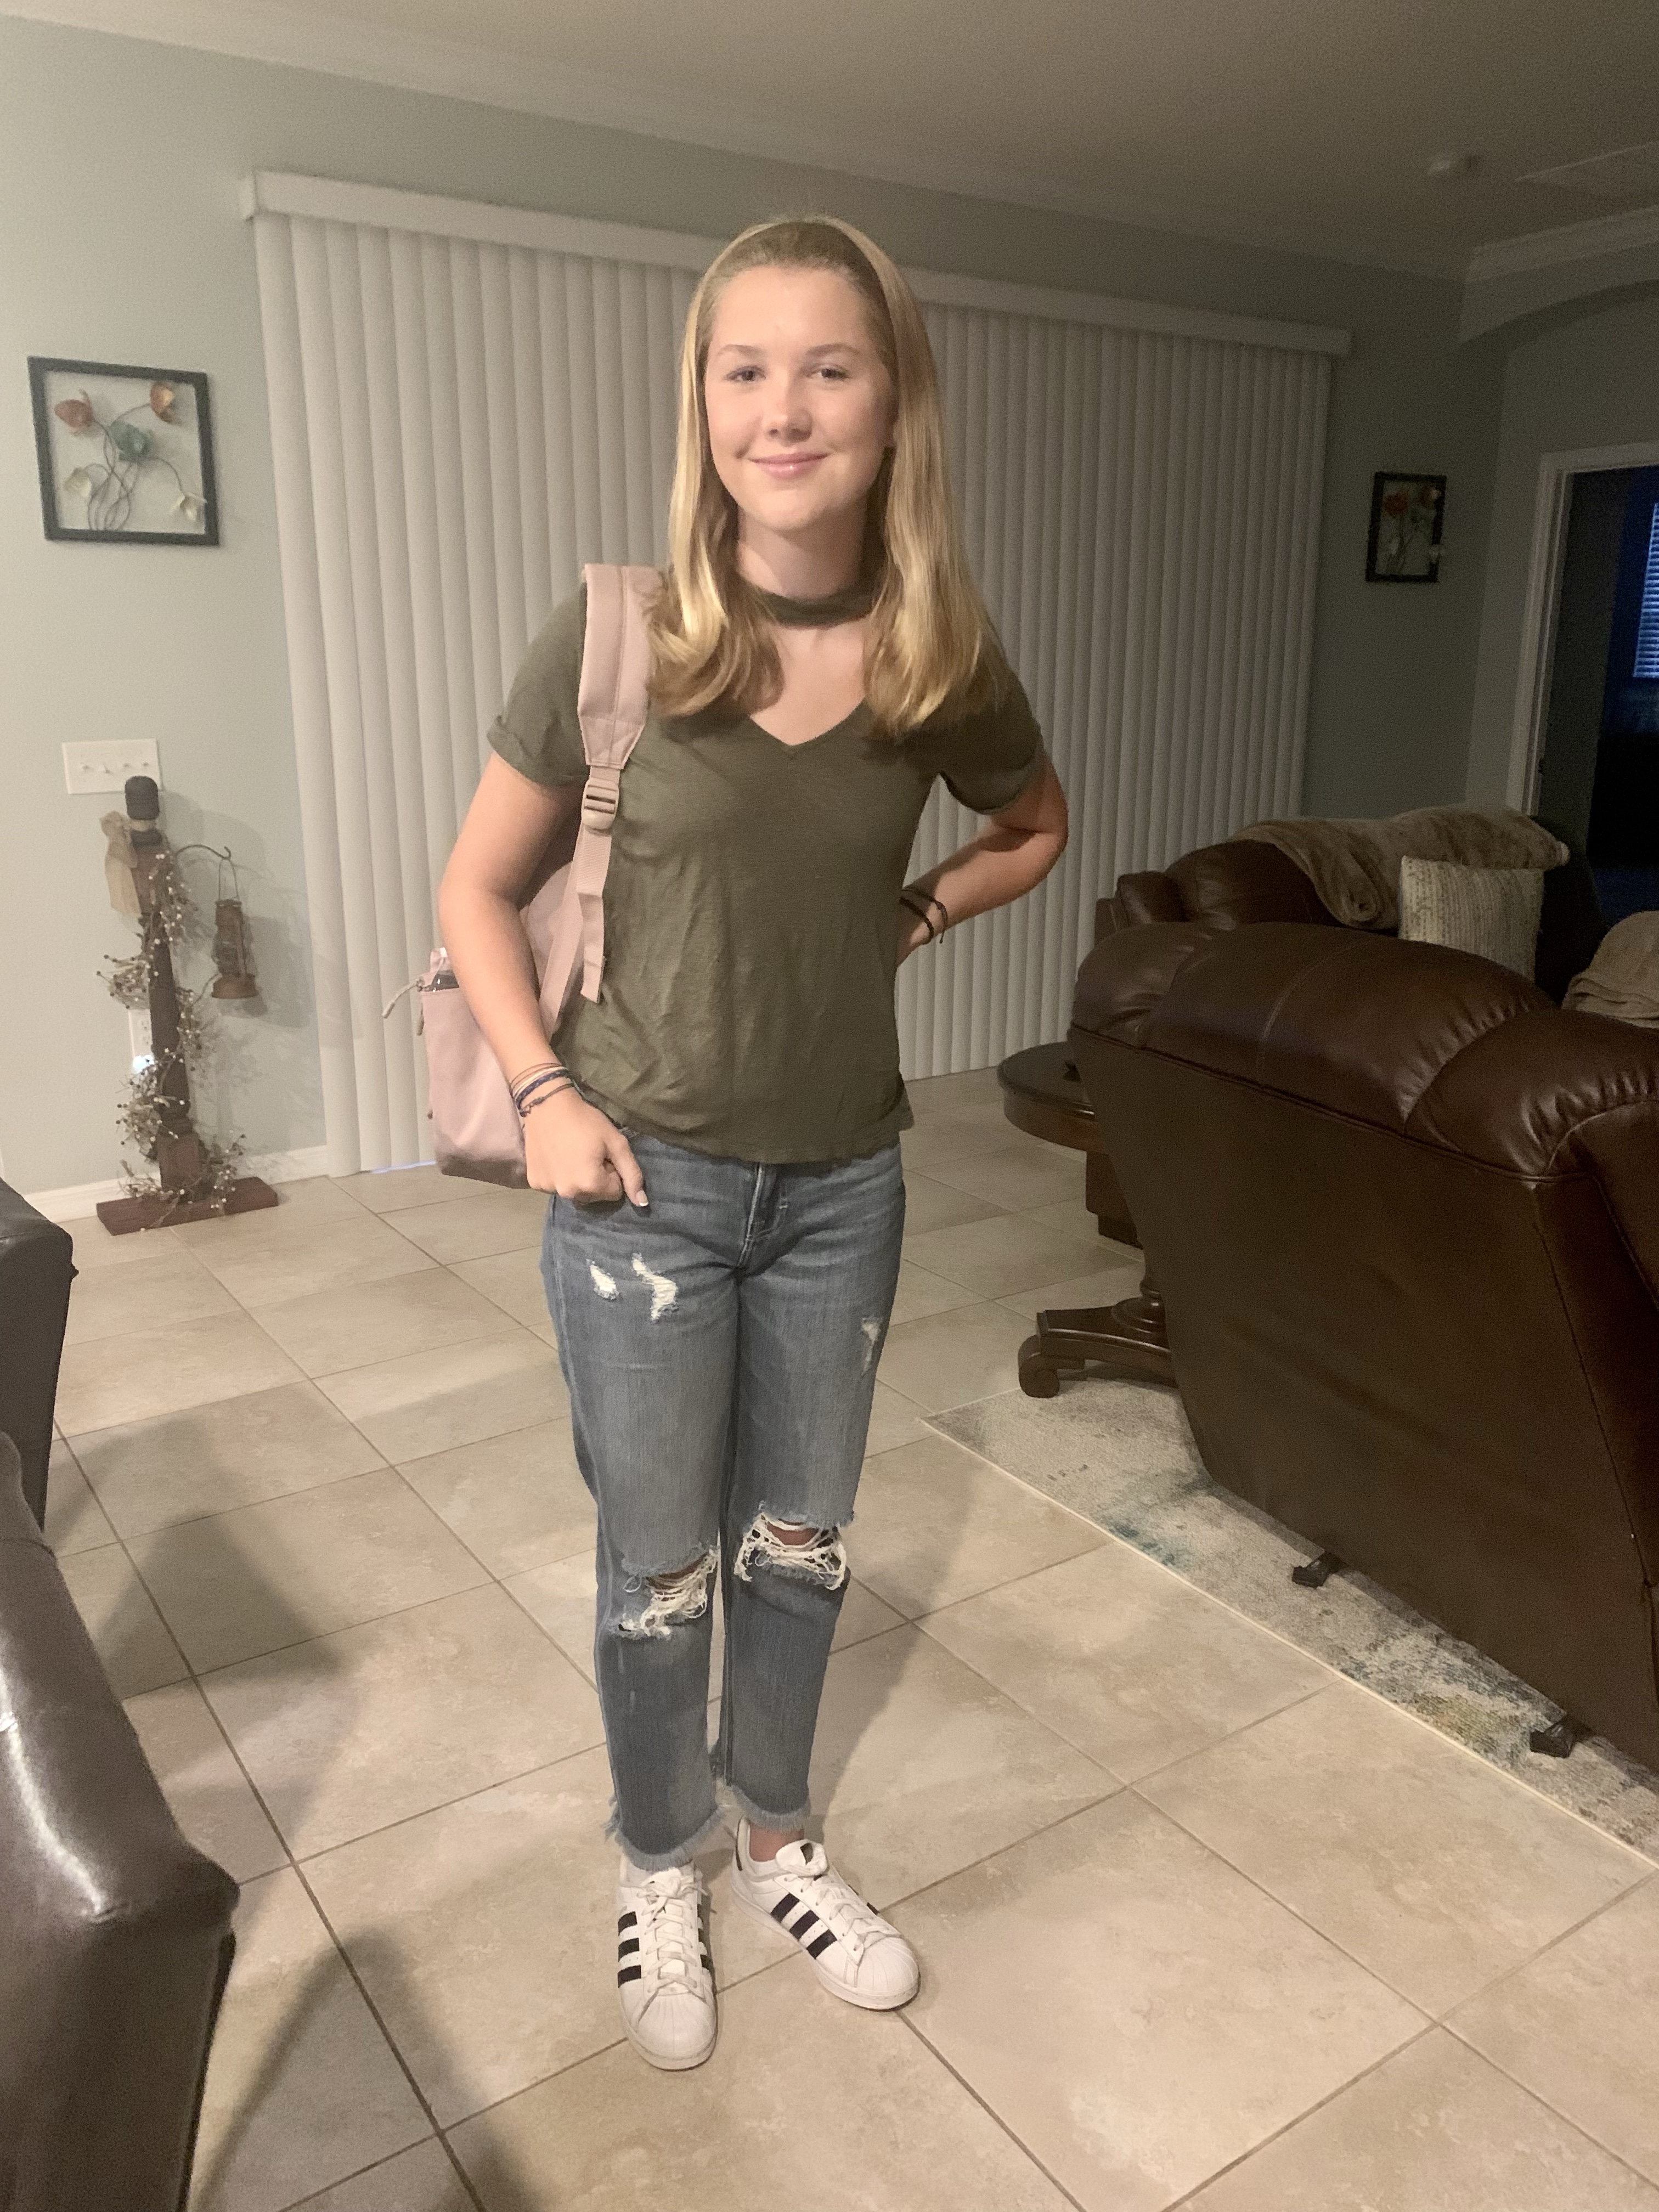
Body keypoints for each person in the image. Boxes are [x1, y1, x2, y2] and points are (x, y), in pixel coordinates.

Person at [438, 213, 1068, 2070]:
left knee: (797, 1546)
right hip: (643, 1185)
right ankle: (663, 1859)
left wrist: (917, 913)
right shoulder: (622, 634)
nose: (781, 409)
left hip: (844, 1186)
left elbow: (1033, 822)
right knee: (659, 1565)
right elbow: (476, 891)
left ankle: (780, 1835)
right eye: (745, 368)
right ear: (702, 403)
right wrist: (545, 1095)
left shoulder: (939, 655)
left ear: (892, 406)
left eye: (827, 367)